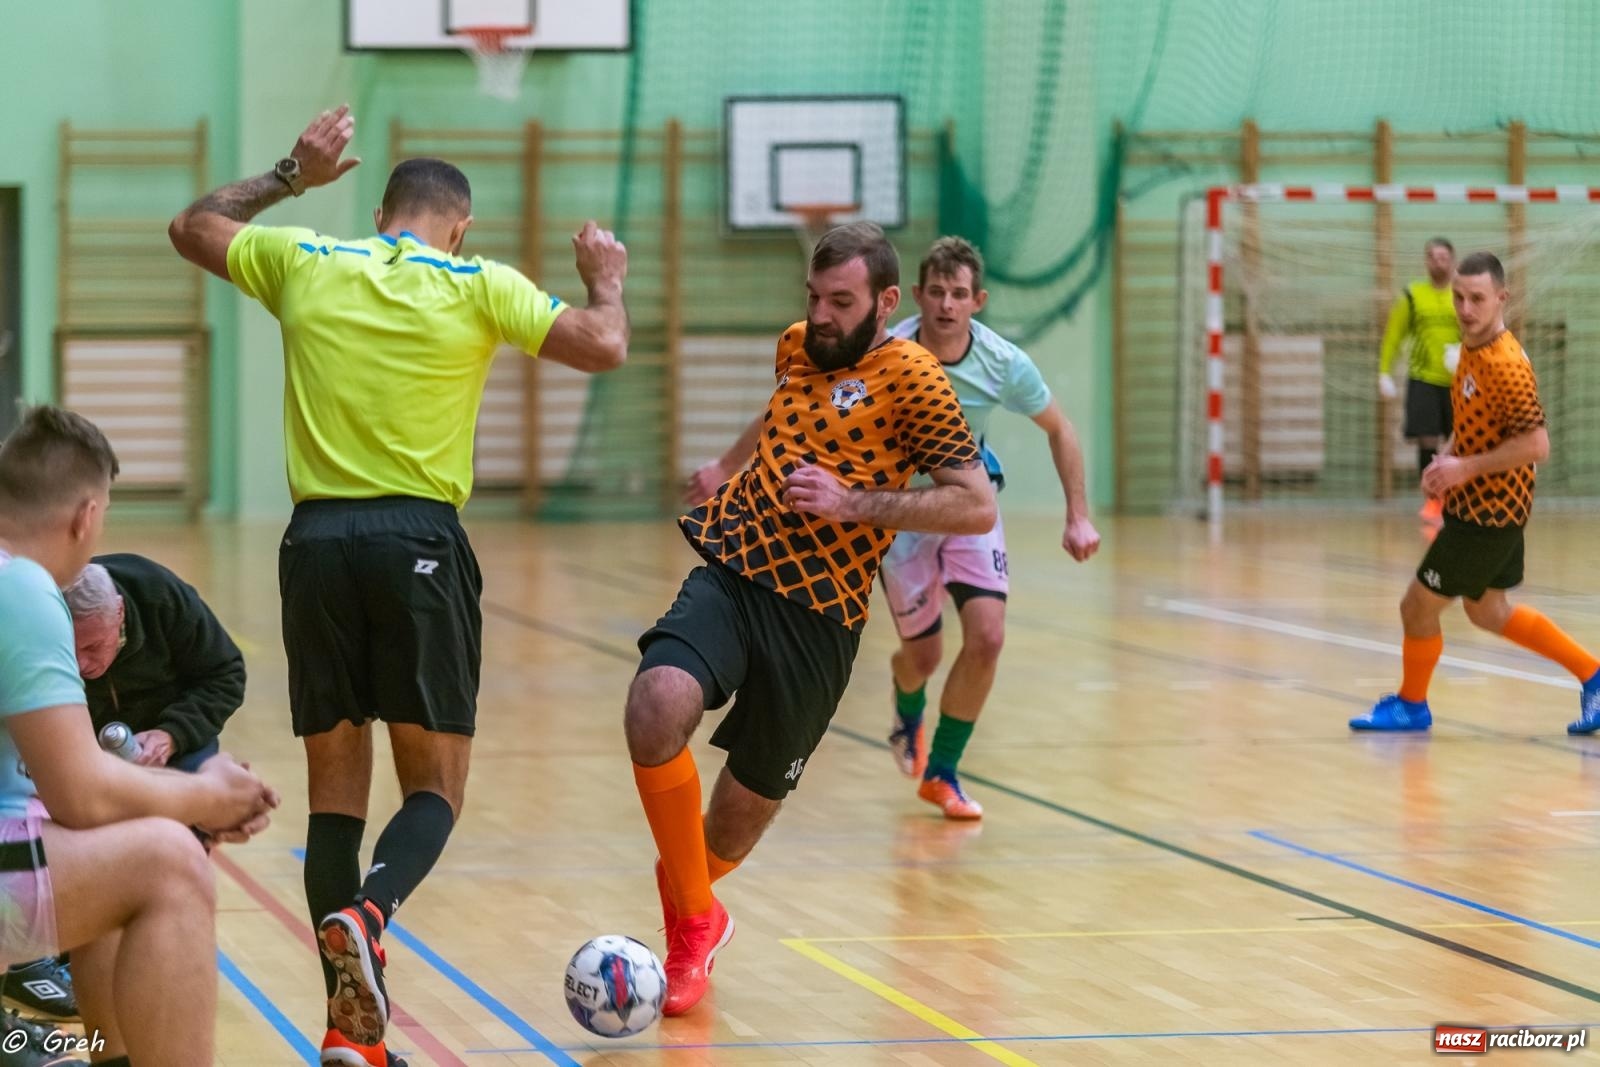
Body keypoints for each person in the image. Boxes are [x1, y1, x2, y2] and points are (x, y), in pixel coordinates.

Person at [168, 104, 629, 1067]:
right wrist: (606, 281)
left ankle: (350, 1032)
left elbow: (194, 225)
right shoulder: (478, 283)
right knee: (437, 787)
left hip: (316, 546)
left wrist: (292, 176)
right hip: (418, 538)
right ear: (458, 226)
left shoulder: (306, 259)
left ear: (379, 209)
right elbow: (601, 345)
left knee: (337, 796)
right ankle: (371, 918)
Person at [634, 221, 995, 1016]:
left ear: (885, 302)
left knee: (721, 834)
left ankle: (696, 903)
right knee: (657, 702)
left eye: (842, 301)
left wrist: (853, 504)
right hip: (734, 573)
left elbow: (975, 503)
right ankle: (693, 929)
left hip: (820, 618)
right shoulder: (796, 345)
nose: (822, 316)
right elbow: (784, 418)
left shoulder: (915, 379)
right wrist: (729, 467)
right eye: (815, 297)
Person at [0, 405, 277, 1066]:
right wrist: (205, 797)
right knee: (171, 861)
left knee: (113, 845)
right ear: (85, 514)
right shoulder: (24, 588)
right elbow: (81, 793)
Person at [1351, 252, 1600, 733]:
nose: (1465, 308)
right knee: (1489, 611)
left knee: (1416, 606)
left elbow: (1536, 444)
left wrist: (1464, 470)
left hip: (1488, 513)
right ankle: (1594, 676)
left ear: (1502, 298)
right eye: (1459, 298)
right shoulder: (1471, 347)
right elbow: (1475, 424)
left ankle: (1412, 705)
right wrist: (1447, 459)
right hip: (1490, 506)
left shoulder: (1506, 364)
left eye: (1477, 299)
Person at [3, 553, 247, 1026]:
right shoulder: (43, 613)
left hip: (171, 736)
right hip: (84, 749)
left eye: (93, 647)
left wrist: (172, 733)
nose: (81, 664)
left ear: (119, 615)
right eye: (70, 649)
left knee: (179, 851)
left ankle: (144, 959)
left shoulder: (160, 596)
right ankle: (54, 958)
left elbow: (225, 674)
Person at [1378, 237, 1460, 526]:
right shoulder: (1412, 295)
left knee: (1460, 441)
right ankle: (1433, 502)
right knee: (1427, 439)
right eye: (1433, 257)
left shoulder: (1462, 293)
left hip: (1457, 381)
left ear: (1452, 261)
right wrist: (1384, 371)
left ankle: (1459, 501)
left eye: (1443, 257)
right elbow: (1394, 335)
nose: (1438, 262)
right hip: (1423, 379)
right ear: (1426, 261)